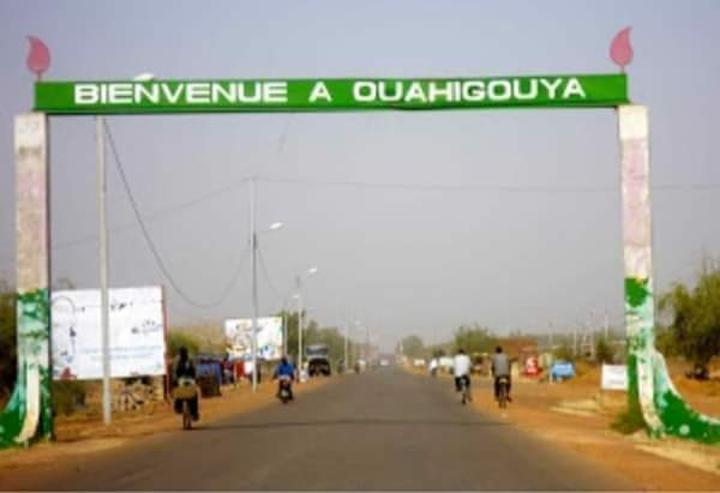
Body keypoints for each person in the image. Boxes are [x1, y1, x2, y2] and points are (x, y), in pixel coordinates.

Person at [173, 346, 199, 420]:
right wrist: (175, 379)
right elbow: (174, 371)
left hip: (190, 378)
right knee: (178, 393)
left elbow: (194, 369)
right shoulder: (177, 360)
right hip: (181, 379)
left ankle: (194, 412)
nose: (182, 354)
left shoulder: (190, 360)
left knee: (194, 394)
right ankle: (178, 408)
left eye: (183, 353)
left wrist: (195, 378)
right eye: (181, 353)